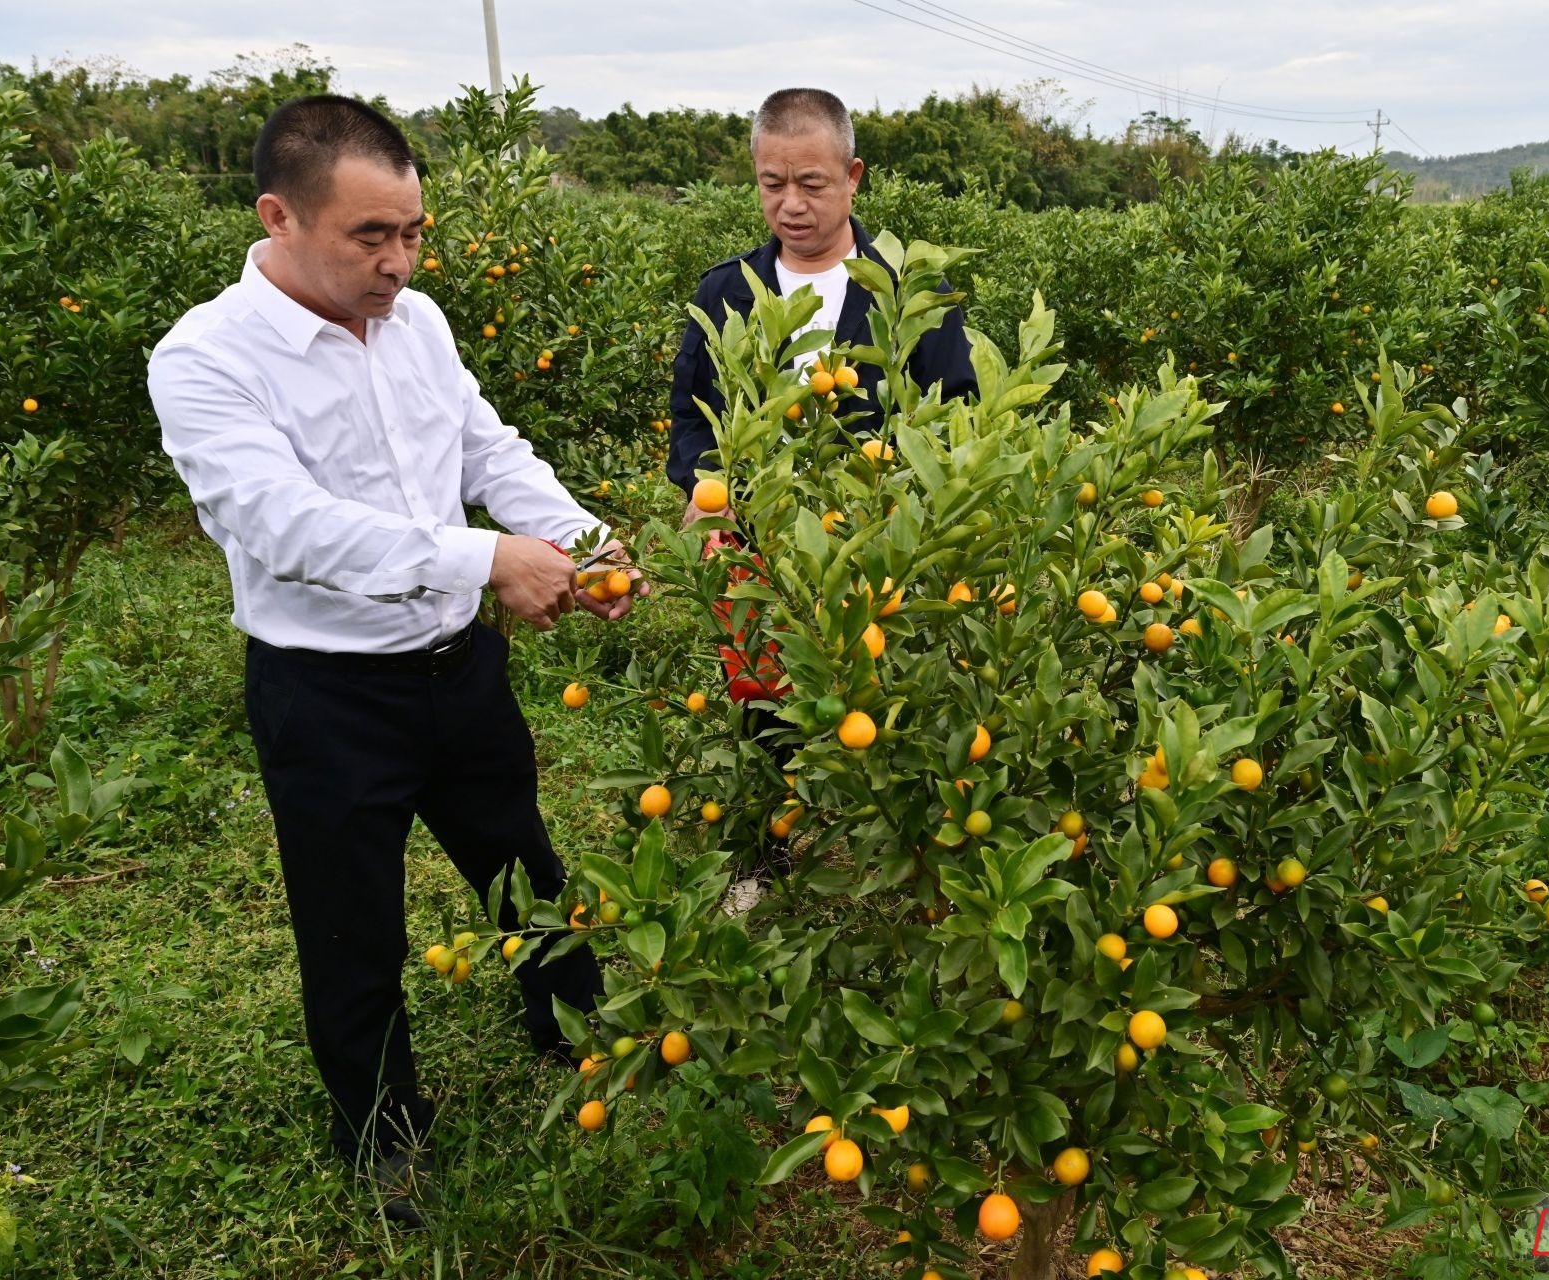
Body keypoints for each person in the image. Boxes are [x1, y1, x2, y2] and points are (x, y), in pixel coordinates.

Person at [147, 94, 643, 1229]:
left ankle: (575, 1035)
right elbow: (288, 526)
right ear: (279, 215)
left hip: (455, 669)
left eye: (413, 231)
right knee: (350, 924)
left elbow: (483, 444)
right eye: (370, 236)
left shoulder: (417, 323)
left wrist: (579, 542)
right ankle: (383, 1135)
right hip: (326, 694)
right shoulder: (207, 357)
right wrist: (484, 560)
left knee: (526, 866)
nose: (399, 260)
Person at [666, 87, 977, 908]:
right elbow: (690, 424)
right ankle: (766, 853)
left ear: (853, 177)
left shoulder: (907, 296)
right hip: (758, 540)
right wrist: (713, 490)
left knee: (876, 691)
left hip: (876, 536)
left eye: (811, 183)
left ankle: (885, 847)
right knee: (760, 701)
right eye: (772, 184)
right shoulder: (726, 292)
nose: (791, 205)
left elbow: (956, 417)